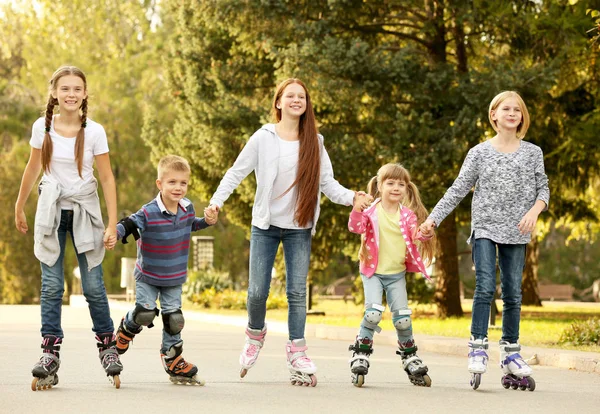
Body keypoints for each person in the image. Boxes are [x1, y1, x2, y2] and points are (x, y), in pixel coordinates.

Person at [206, 78, 370, 387]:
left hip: (299, 227)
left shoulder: (315, 142)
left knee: (297, 293)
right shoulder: (263, 137)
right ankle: (255, 336)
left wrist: (353, 197)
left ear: (306, 104)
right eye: (290, 95)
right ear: (279, 102)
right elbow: (236, 172)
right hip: (265, 226)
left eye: (302, 96)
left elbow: (328, 184)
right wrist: (216, 202)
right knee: (257, 292)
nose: (297, 100)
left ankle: (297, 350)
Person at [420, 91, 549, 391]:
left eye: (518, 110)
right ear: (493, 115)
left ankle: (511, 353)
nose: (513, 113)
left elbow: (543, 190)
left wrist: (534, 211)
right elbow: (457, 189)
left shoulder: (533, 152)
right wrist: (432, 220)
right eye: (506, 109)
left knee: (514, 293)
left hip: (517, 230)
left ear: (522, 117)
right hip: (485, 228)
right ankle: (478, 346)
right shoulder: (479, 153)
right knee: (486, 286)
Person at [14, 65, 123, 390]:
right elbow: (33, 167)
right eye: (65, 89)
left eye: (77, 89)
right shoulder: (42, 127)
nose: (71, 94)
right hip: (50, 211)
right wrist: (19, 205)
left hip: (85, 212)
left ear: (85, 93)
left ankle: (107, 347)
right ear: (54, 93)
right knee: (51, 287)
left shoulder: (94, 131)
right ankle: (50, 352)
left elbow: (106, 177)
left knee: (92, 286)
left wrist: (112, 223)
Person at [114, 155, 217, 386]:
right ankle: (126, 328)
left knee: (174, 319)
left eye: (183, 183)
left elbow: (192, 224)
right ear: (159, 184)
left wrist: (207, 221)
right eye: (172, 182)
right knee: (144, 314)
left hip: (173, 277)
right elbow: (130, 223)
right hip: (148, 275)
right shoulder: (149, 211)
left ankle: (173, 359)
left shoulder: (188, 207)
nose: (178, 187)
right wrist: (116, 233)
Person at [347, 163, 436, 388]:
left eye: (401, 184)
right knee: (374, 312)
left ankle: (410, 357)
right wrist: (356, 209)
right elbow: (355, 228)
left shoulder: (407, 215)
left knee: (403, 318)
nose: (396, 188)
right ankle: (361, 352)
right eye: (390, 183)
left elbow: (415, 236)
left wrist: (425, 233)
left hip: (396, 273)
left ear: (407, 188)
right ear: (379, 185)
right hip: (372, 271)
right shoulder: (370, 211)